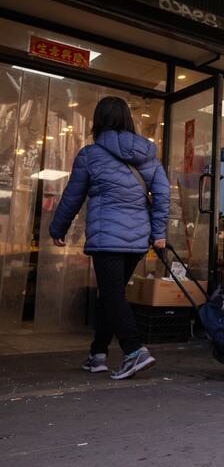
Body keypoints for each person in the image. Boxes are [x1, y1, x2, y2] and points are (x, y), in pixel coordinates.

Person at [49, 96, 169, 379]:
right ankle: (97, 353)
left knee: (112, 293)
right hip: (138, 240)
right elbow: (163, 195)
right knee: (110, 294)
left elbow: (72, 196)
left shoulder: (90, 155)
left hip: (106, 238)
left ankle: (134, 350)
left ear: (98, 121)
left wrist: (58, 229)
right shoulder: (147, 153)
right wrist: (159, 233)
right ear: (128, 119)